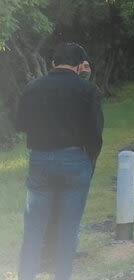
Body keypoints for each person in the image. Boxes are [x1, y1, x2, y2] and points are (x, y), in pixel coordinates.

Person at [13, 42, 104, 280]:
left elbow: (20, 124)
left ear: (53, 63)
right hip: (75, 160)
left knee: (34, 228)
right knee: (68, 229)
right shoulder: (87, 90)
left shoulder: (33, 88)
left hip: (40, 160)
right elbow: (95, 133)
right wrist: (89, 162)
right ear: (80, 65)